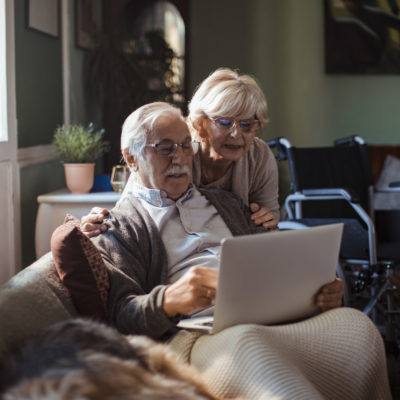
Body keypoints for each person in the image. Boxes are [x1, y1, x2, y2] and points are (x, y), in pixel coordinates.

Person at [91, 102, 391, 400]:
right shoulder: (118, 226)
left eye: (185, 145)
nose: (180, 157)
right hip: (197, 334)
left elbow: (273, 264)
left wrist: (318, 289)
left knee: (358, 330)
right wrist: (169, 300)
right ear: (132, 158)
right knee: (250, 346)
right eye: (165, 148)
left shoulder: (226, 203)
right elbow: (120, 314)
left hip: (264, 317)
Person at [81, 68, 279, 236]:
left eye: (246, 124)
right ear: (200, 123)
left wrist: (266, 220)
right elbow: (133, 207)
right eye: (225, 122)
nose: (237, 135)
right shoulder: (176, 149)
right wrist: (101, 223)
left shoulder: (259, 155)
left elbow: (270, 225)